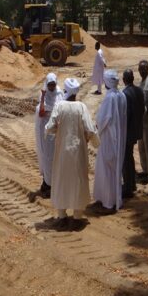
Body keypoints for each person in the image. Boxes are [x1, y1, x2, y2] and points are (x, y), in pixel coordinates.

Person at [45, 78, 98, 231]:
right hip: (78, 151)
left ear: (66, 90)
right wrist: (89, 140)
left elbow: (50, 126)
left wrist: (57, 132)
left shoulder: (59, 106)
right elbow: (90, 129)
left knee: (62, 179)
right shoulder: (81, 107)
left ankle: (61, 216)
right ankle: (76, 217)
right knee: (78, 180)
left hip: (62, 151)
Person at [92, 70, 127, 214]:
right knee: (115, 169)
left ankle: (108, 202)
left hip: (108, 138)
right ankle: (113, 199)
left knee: (107, 170)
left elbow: (103, 119)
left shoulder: (110, 98)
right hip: (119, 138)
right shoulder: (122, 95)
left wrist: (97, 127)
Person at [29, 72, 64, 202]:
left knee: (56, 158)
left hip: (57, 131)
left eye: (53, 84)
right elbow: (42, 112)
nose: (51, 87)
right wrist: (43, 97)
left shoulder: (60, 94)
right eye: (49, 85)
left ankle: (54, 184)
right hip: (46, 133)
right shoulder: (43, 95)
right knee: (48, 158)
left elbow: (62, 111)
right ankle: (47, 184)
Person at [121, 69, 144, 199]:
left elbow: (126, 115)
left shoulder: (125, 93)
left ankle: (128, 186)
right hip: (137, 129)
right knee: (129, 157)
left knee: (126, 159)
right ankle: (132, 184)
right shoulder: (139, 91)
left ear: (124, 80)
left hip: (128, 131)